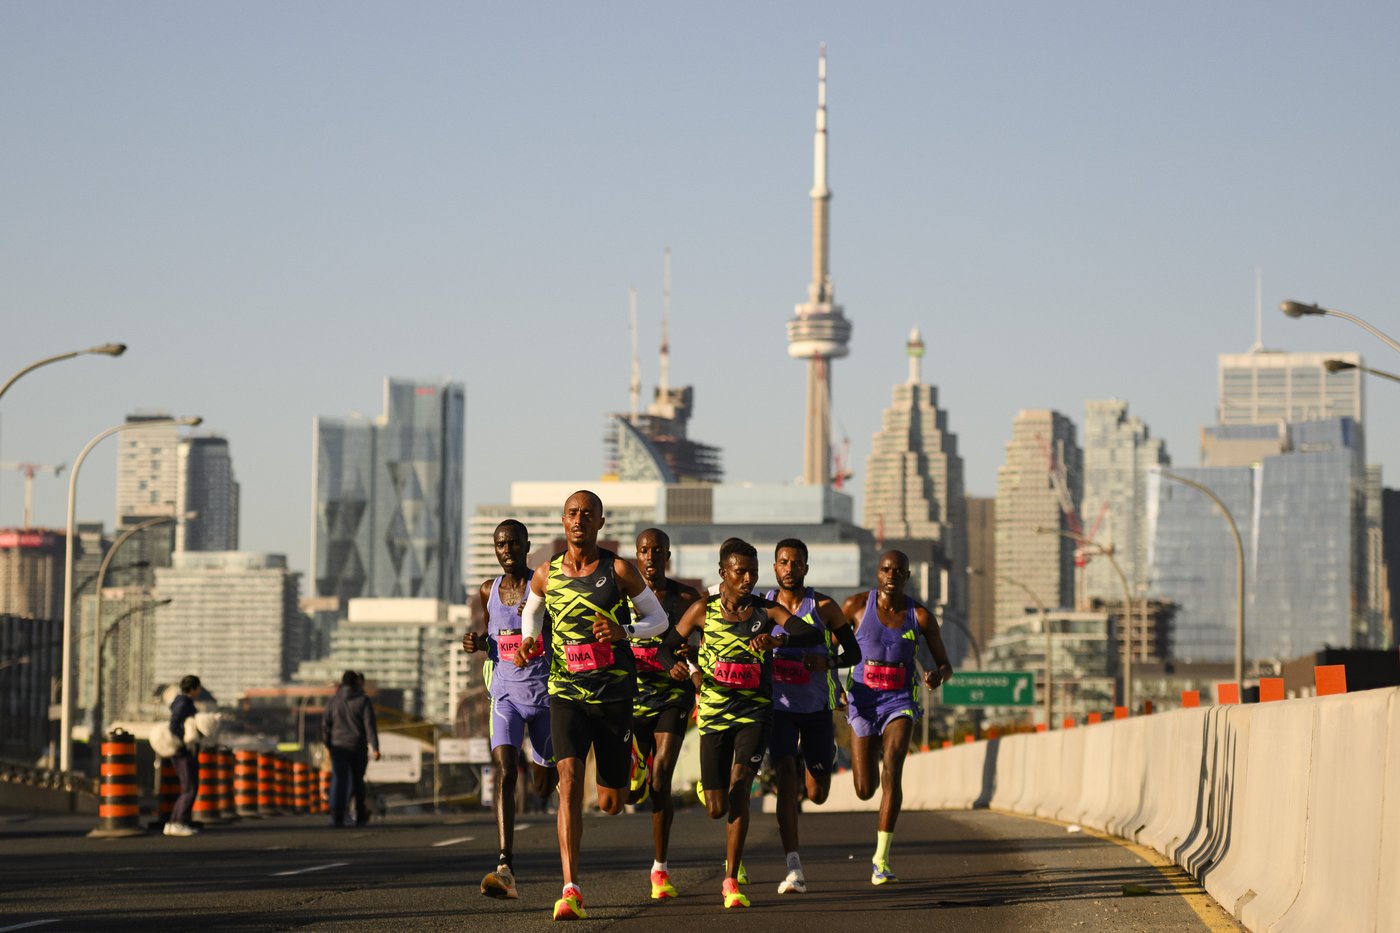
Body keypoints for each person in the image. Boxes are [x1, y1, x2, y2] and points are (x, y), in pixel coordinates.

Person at [512, 490, 671, 922]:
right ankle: (571, 889)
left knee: (611, 802)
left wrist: (624, 631)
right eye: (572, 513)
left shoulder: (618, 570)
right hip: (566, 691)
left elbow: (659, 620)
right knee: (568, 780)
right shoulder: (545, 574)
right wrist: (529, 641)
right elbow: (533, 614)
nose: (579, 519)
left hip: (614, 694)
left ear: (600, 522)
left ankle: (631, 759)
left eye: (587, 514)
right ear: (563, 521)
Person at [657, 538, 825, 909]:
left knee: (739, 789)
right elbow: (665, 647)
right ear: (723, 573)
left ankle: (731, 880)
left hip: (755, 712)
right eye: (740, 572)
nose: (748, 579)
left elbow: (811, 633)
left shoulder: (767, 610)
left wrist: (779, 640)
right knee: (717, 807)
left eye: (753, 572)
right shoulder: (703, 611)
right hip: (714, 714)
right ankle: (708, 787)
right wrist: (675, 667)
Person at [841, 549, 953, 885]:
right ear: (878, 573)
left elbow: (945, 664)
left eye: (898, 571)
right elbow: (829, 649)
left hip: (900, 701)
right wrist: (833, 687)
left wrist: (937, 676)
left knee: (893, 765)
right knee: (864, 789)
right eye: (886, 569)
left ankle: (881, 859)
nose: (891, 575)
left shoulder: (920, 616)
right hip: (863, 703)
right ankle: (871, 760)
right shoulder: (855, 606)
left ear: (907, 576)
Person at [462, 519, 558, 899]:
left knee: (542, 785)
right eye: (501, 545)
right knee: (504, 770)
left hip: (544, 699)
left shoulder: (543, 586)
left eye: (514, 544)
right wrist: (477, 643)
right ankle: (505, 864)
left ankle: (544, 775)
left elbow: (559, 632)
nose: (507, 551)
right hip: (505, 698)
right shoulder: (488, 590)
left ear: (526, 546)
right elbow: (494, 640)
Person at [764, 538, 862, 894]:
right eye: (783, 562)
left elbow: (853, 653)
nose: (790, 568)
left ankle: (821, 759)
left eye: (796, 563)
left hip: (816, 709)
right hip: (779, 709)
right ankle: (794, 865)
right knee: (785, 780)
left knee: (817, 793)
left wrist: (828, 662)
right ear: (775, 567)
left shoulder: (823, 608)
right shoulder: (764, 607)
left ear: (806, 567)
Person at [626, 527, 702, 900]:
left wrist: (688, 660)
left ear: (667, 555)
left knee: (661, 781)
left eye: (657, 551)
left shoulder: (687, 598)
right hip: (631, 698)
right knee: (628, 797)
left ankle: (660, 868)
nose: (651, 557)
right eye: (644, 550)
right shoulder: (621, 594)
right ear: (637, 555)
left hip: (673, 695)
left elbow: (705, 645)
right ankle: (635, 765)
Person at [322, 669, 381, 827]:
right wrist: (375, 747)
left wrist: (328, 744)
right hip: (357, 746)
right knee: (357, 781)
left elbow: (325, 725)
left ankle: (337, 815)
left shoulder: (333, 701)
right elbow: (370, 726)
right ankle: (360, 814)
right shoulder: (363, 700)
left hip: (338, 746)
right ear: (356, 683)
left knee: (339, 779)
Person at [164, 674, 203, 837]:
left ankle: (173, 823)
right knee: (190, 789)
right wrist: (183, 740)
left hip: (181, 751)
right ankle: (178, 823)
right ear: (193, 689)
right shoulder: (184, 703)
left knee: (187, 788)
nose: (199, 691)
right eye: (198, 688)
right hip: (182, 751)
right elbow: (174, 724)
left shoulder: (181, 702)